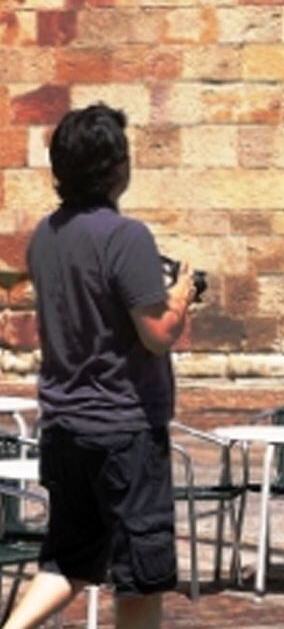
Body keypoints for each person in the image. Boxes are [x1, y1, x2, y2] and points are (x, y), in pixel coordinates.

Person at [4, 105, 198, 629]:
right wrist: (179, 297)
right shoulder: (126, 236)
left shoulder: (45, 236)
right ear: (117, 167)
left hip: (65, 427)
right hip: (124, 430)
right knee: (141, 571)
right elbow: (156, 335)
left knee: (69, 556)